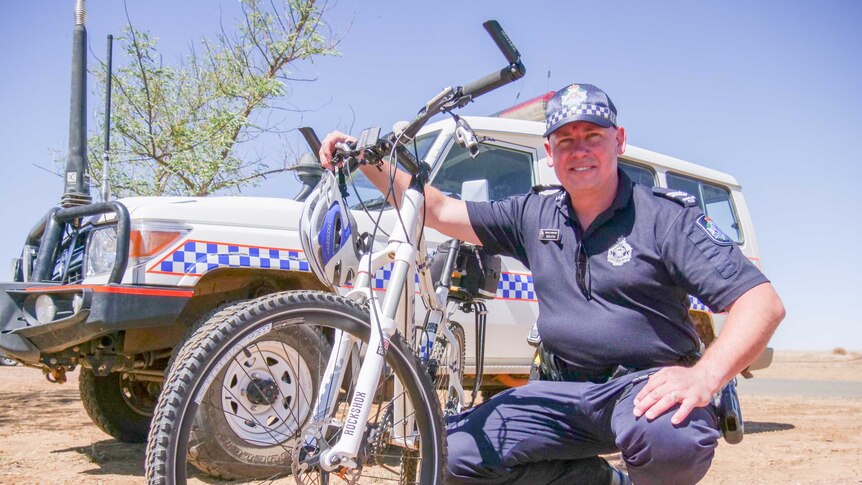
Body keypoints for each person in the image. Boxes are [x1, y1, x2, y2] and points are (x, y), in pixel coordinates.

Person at [319, 83, 785, 485]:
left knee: (669, 440)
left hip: (644, 387)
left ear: (618, 141)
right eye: (565, 140)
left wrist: (705, 375)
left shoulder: (665, 217)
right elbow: (438, 210)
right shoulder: (534, 213)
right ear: (549, 152)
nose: (578, 150)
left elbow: (761, 303)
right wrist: (365, 161)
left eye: (592, 137)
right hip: (564, 390)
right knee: (452, 452)